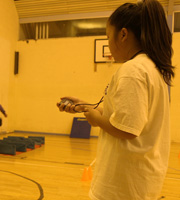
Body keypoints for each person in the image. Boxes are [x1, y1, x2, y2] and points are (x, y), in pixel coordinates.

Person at [57, 0, 174, 199]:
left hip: (121, 186)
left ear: (123, 34)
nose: (108, 43)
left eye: (108, 36)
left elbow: (128, 129)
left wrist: (95, 120)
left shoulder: (133, 70)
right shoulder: (151, 67)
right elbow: (125, 115)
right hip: (139, 181)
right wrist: (84, 106)